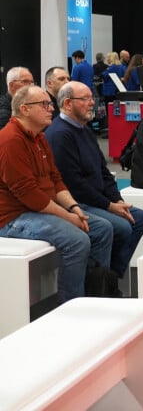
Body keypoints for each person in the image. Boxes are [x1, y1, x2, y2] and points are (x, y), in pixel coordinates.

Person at [0, 85, 113, 302]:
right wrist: (68, 217)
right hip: (13, 217)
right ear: (24, 109)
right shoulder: (10, 140)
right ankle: (71, 305)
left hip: (38, 210)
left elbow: (56, 180)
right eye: (44, 104)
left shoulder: (39, 138)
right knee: (77, 240)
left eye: (50, 103)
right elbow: (29, 194)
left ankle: (97, 293)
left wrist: (75, 208)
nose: (51, 108)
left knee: (101, 229)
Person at [46, 81, 143, 279]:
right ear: (67, 103)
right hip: (76, 203)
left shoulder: (83, 129)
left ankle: (111, 276)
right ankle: (97, 284)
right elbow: (73, 184)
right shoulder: (60, 135)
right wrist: (109, 206)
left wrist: (117, 200)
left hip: (97, 199)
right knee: (114, 226)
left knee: (139, 218)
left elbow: (104, 171)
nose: (92, 102)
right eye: (85, 99)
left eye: (91, 97)